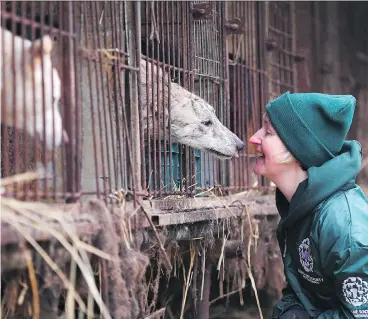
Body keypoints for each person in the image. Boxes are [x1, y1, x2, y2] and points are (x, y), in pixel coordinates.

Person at [249, 91, 368, 318]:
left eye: (268, 132)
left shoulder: (345, 228)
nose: (254, 138)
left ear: (298, 148)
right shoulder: (300, 206)